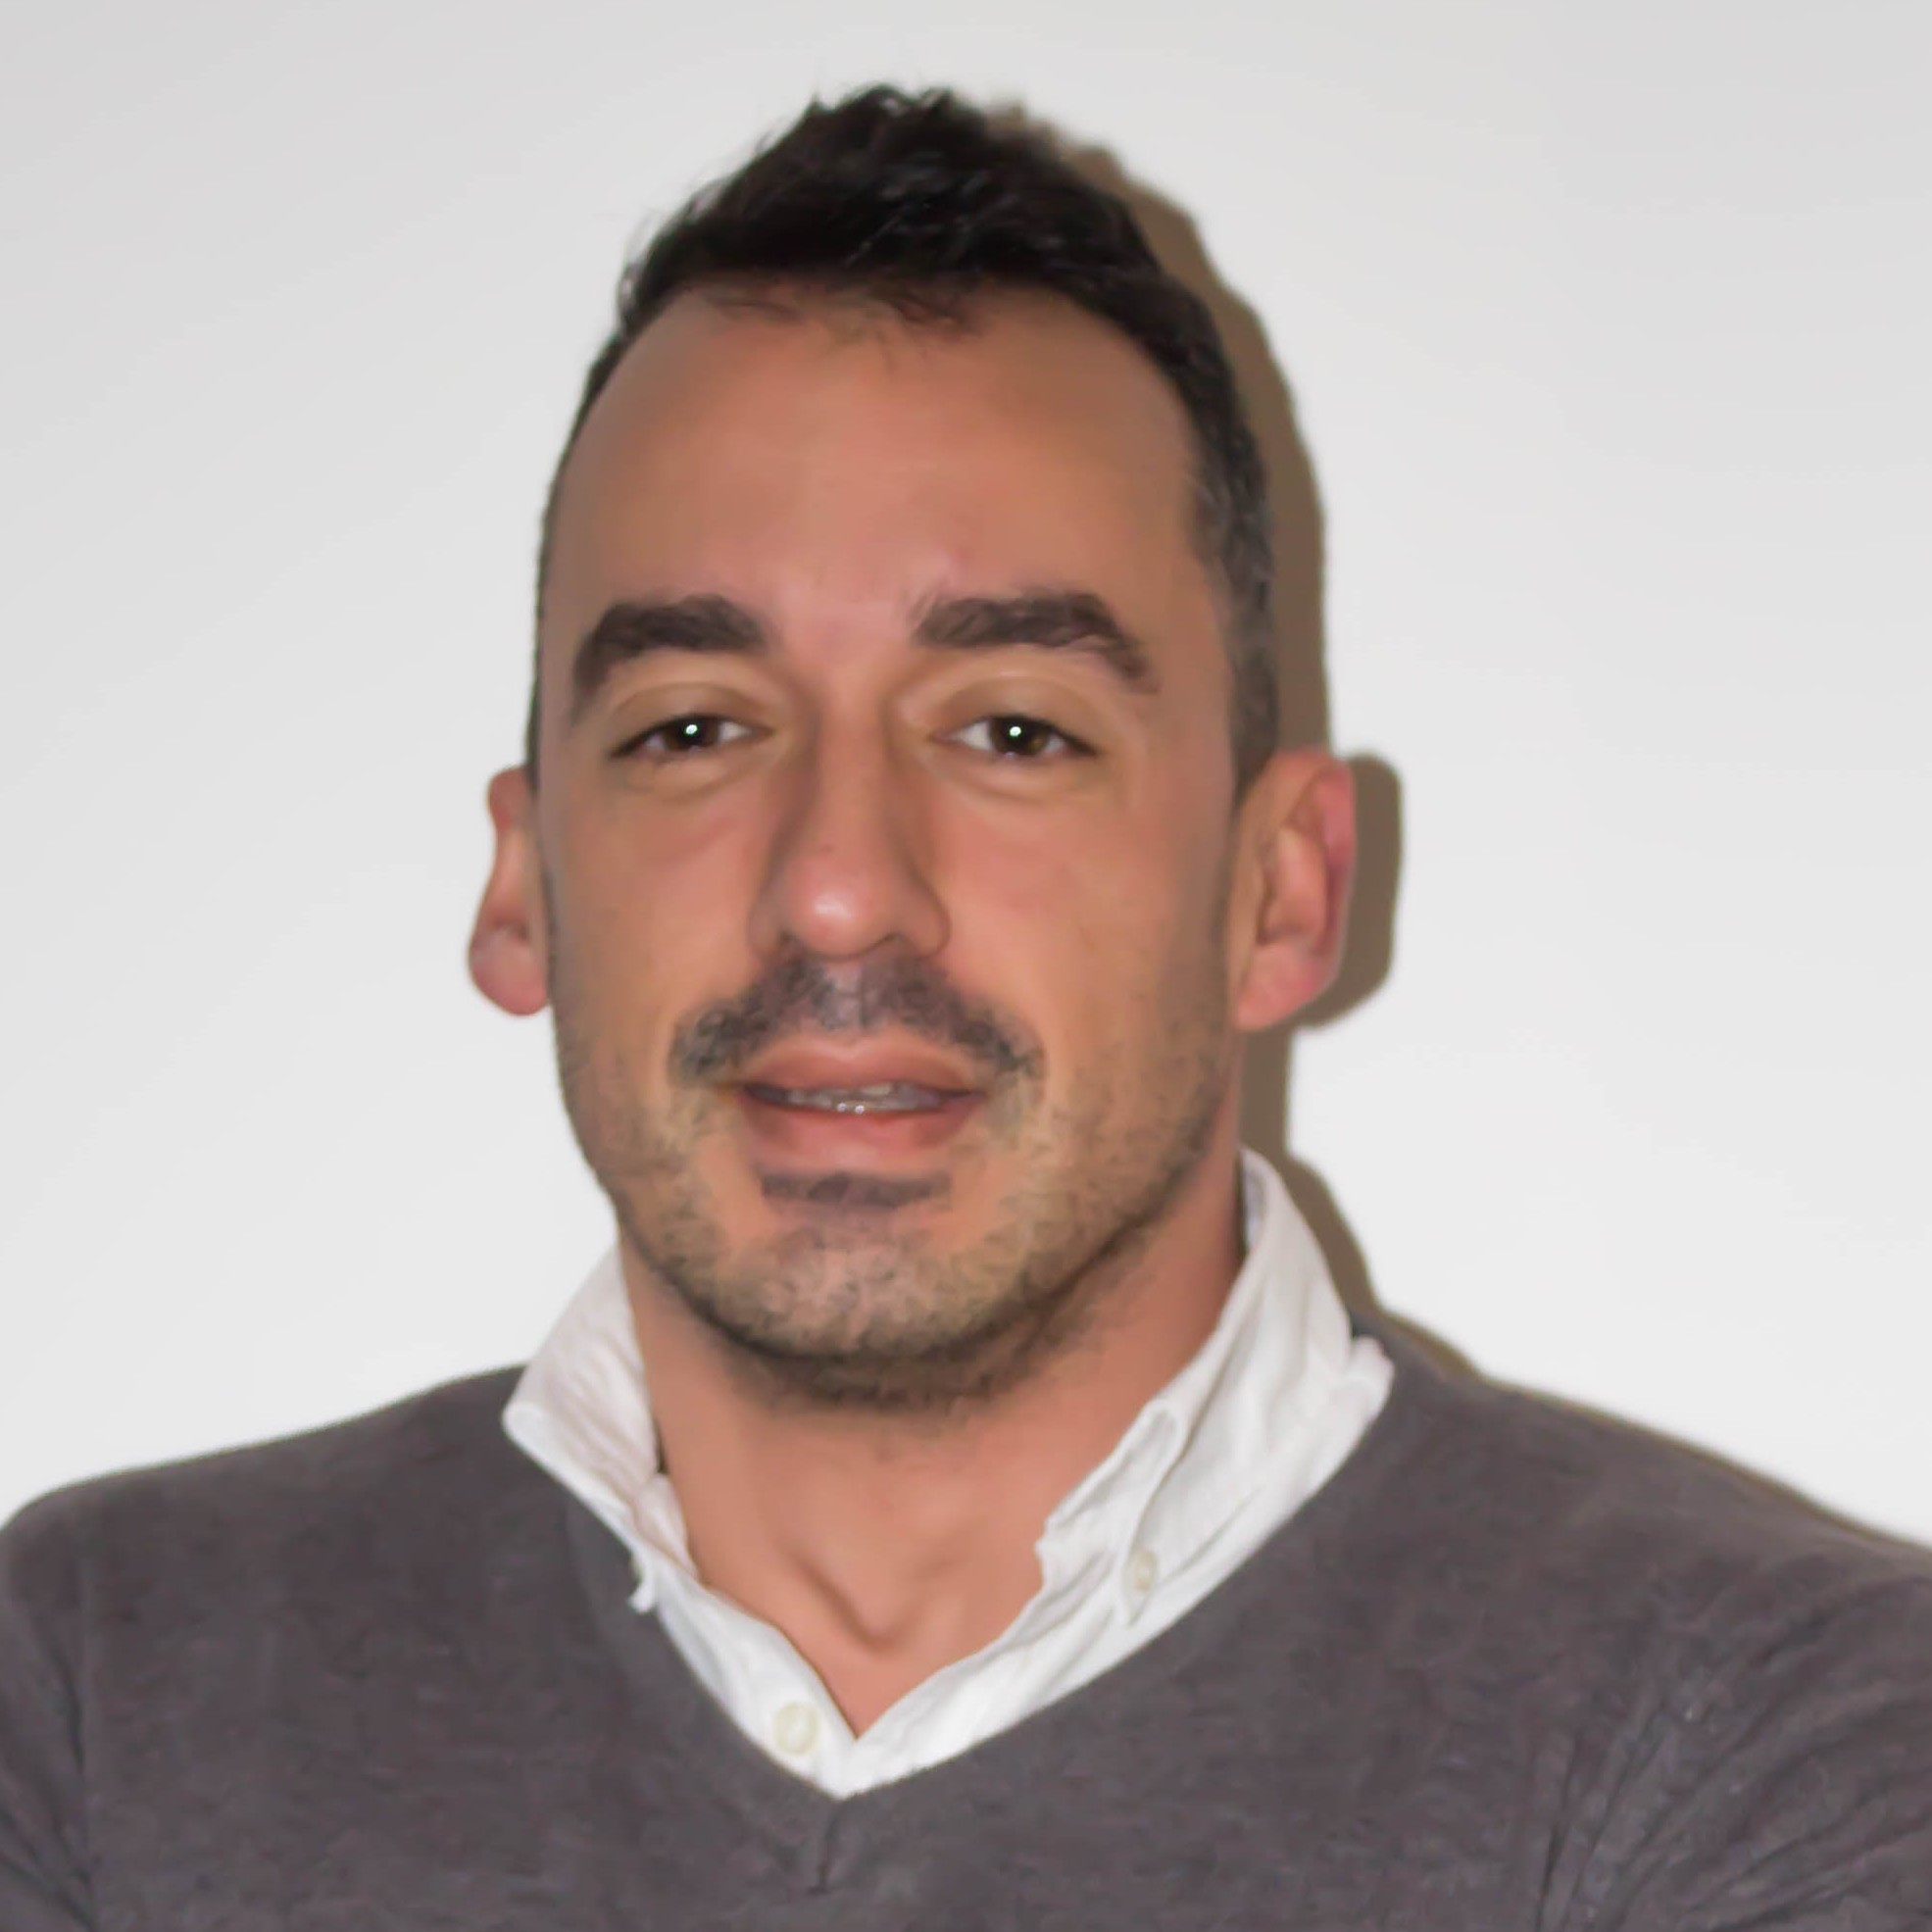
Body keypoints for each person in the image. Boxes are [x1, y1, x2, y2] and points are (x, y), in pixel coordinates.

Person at [2, 84, 1927, 1930]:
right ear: (525, 887)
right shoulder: (95, 1695)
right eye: (693, 728)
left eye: (1012, 728)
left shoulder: (1783, 1736)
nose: (839, 883)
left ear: (1278, 889)